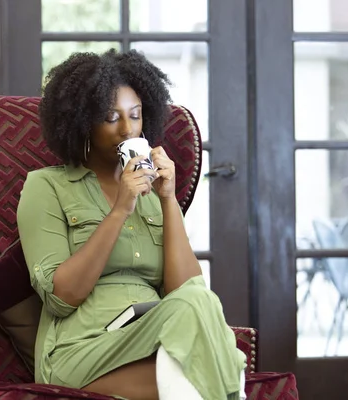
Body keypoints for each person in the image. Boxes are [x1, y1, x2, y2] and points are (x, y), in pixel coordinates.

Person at [17, 49, 246, 400]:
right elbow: (62, 297)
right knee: (215, 363)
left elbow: (185, 291)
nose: (127, 128)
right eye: (111, 117)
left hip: (150, 339)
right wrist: (121, 208)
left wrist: (168, 199)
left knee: (198, 311)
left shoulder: (153, 193)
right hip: (82, 349)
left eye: (135, 115)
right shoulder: (46, 187)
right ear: (82, 123)